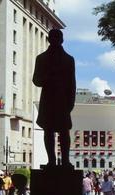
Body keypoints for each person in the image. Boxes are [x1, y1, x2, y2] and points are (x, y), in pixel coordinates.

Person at [32, 29, 76, 167]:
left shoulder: (69, 59)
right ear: (48, 39)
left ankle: (66, 161)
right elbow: (36, 80)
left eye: (58, 37)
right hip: (48, 100)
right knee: (48, 130)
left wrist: (70, 102)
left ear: (62, 40)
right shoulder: (41, 58)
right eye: (53, 37)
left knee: (64, 131)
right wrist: (49, 77)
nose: (56, 40)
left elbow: (72, 83)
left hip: (62, 100)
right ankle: (51, 160)